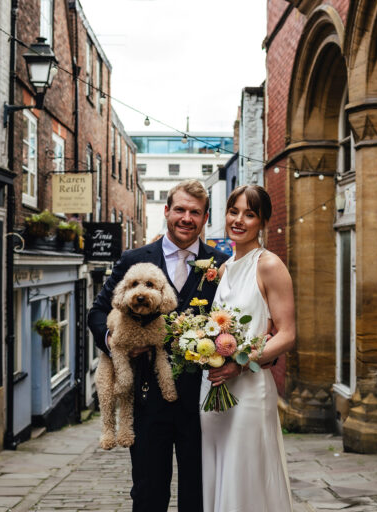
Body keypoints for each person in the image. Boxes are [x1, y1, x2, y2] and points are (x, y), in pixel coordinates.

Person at [88, 179, 229, 512]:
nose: (186, 217)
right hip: (147, 397)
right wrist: (116, 343)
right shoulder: (135, 260)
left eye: (195, 212)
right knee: (148, 493)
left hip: (202, 402)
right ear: (166, 211)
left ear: (205, 218)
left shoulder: (220, 264)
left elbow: (232, 318)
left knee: (199, 494)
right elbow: (97, 312)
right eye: (179, 209)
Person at [201, 185, 295, 511]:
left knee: (246, 474)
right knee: (217, 470)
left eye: (250, 214)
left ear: (263, 222)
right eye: (234, 211)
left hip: (250, 388)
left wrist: (239, 364)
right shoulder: (224, 268)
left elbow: (287, 334)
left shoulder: (269, 265)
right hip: (214, 390)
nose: (239, 220)